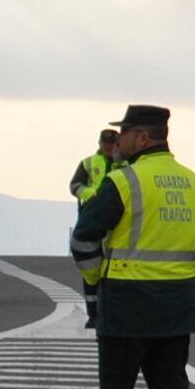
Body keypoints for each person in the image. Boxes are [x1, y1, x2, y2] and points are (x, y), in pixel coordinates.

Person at [70, 107, 195, 389]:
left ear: (143, 138)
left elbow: (83, 238)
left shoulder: (124, 182)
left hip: (127, 301)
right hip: (178, 303)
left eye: (125, 132)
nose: (119, 140)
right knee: (172, 388)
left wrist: (94, 282)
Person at [67, 123, 123, 331]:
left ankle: (111, 311)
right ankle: (93, 314)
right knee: (90, 270)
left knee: (111, 268)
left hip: (116, 224)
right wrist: (89, 194)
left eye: (112, 143)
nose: (109, 147)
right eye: (106, 143)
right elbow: (74, 185)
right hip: (92, 220)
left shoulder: (125, 164)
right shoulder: (89, 163)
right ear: (100, 143)